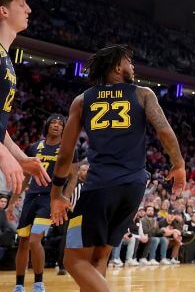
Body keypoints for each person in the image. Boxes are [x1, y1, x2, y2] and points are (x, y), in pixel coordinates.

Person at [49, 44, 186, 292]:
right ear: (117, 66)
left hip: (100, 186)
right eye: (129, 62)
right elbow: (165, 132)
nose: (132, 66)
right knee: (98, 258)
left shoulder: (83, 100)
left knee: (72, 259)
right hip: (133, 187)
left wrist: (57, 194)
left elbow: (65, 155)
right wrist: (178, 164)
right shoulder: (143, 94)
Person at [7, 114, 69, 292]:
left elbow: (72, 175)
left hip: (49, 200)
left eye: (60, 124)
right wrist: (13, 202)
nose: (56, 126)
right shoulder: (35, 147)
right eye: (54, 122)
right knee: (23, 242)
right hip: (31, 198)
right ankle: (19, 285)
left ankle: (39, 283)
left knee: (35, 240)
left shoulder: (66, 148)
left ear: (64, 129)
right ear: (47, 125)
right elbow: (26, 176)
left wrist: (63, 197)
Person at [0, 0, 49, 196]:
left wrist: (21, 158)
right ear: (4, 11)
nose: (28, 9)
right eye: (21, 4)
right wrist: (2, 155)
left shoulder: (6, 58)